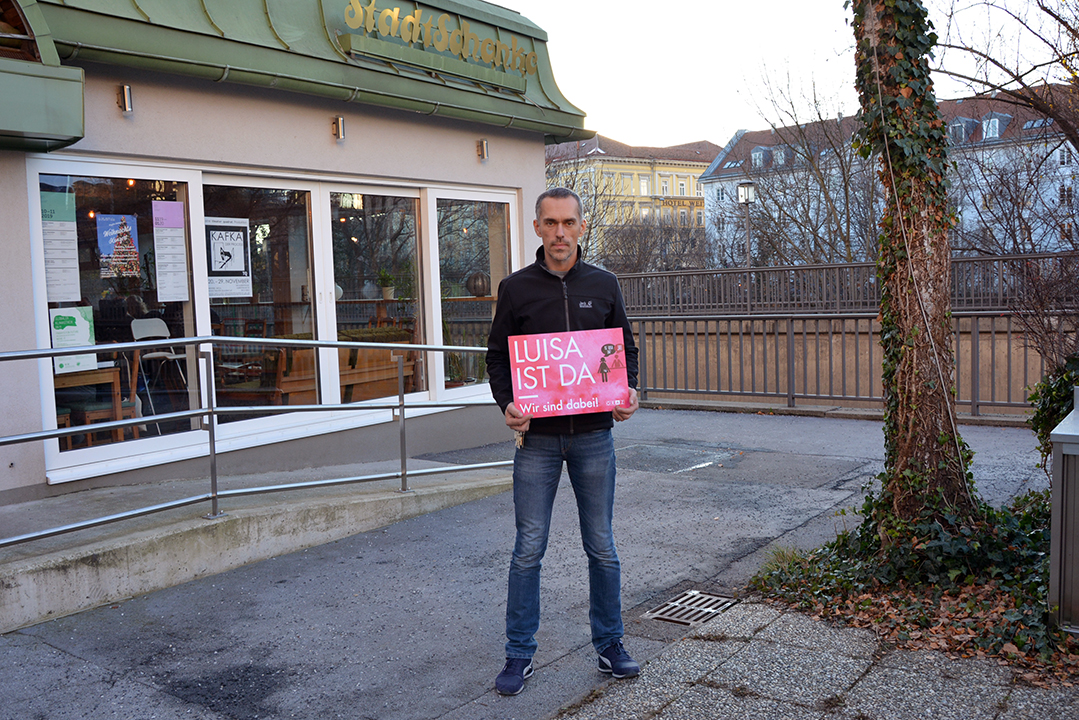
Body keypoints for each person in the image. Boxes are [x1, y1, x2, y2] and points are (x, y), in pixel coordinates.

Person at [485, 187, 640, 696]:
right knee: (528, 549)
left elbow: (624, 351)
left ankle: (610, 643)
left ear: (581, 226)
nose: (559, 232)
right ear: (537, 228)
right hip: (538, 443)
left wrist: (626, 392)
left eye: (568, 223)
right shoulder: (515, 288)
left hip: (595, 436)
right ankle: (518, 653)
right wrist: (507, 403)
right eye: (550, 223)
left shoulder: (605, 283)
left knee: (602, 547)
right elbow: (497, 360)